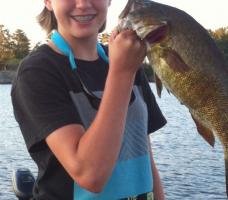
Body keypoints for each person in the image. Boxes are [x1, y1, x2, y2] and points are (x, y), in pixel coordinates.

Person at [11, 0, 167, 199]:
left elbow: (146, 158)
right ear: (48, 2)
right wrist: (121, 73)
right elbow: (90, 175)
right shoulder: (37, 72)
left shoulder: (127, 58)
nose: (83, 4)